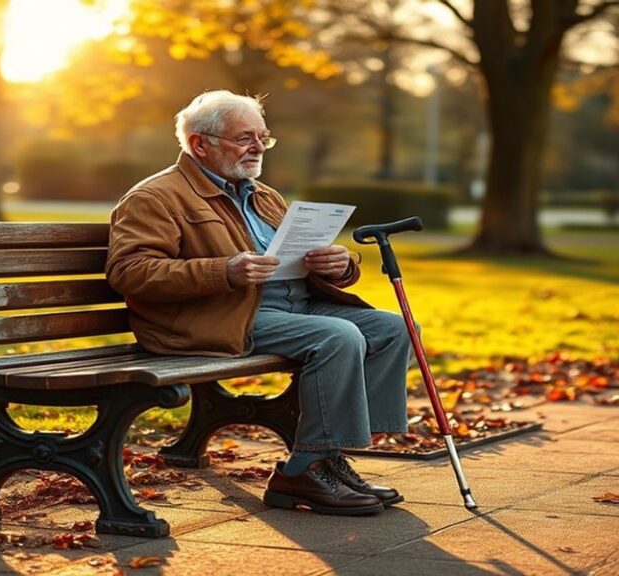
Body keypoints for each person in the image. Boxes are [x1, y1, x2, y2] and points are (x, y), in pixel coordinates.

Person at [107, 90, 413, 516]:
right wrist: (223, 270)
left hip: (292, 308)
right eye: (244, 137)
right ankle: (304, 469)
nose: (256, 147)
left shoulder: (264, 195)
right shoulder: (155, 197)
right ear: (200, 144)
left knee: (392, 328)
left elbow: (302, 258)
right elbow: (130, 272)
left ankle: (329, 458)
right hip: (220, 317)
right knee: (338, 336)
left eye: (263, 138)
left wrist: (339, 265)